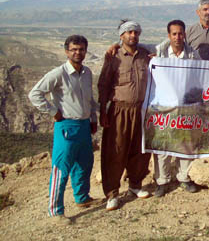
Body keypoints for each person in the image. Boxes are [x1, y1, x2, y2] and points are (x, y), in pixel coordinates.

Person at [28, 35, 97, 225]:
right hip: (66, 125)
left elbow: (90, 100)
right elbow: (34, 94)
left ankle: (82, 198)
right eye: (74, 49)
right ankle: (56, 211)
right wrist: (52, 111)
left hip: (83, 125)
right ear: (67, 51)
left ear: (85, 51)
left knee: (84, 163)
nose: (78, 52)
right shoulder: (58, 73)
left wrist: (93, 118)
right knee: (61, 168)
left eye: (81, 49)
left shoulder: (87, 72)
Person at [98, 20, 152, 211]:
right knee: (116, 150)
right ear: (121, 36)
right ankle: (112, 193)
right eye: (128, 32)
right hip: (120, 110)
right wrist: (102, 110)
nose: (133, 35)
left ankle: (135, 185)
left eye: (136, 32)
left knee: (140, 149)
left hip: (142, 110)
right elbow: (104, 84)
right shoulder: (113, 57)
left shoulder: (146, 55)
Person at [153, 19, 202, 196]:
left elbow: (201, 75)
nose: (178, 37)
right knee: (163, 143)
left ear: (185, 34)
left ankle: (184, 177)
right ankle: (162, 180)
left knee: (185, 142)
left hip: (186, 105)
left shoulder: (192, 54)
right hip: (165, 106)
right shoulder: (160, 52)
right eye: (174, 33)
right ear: (169, 35)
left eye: (180, 33)